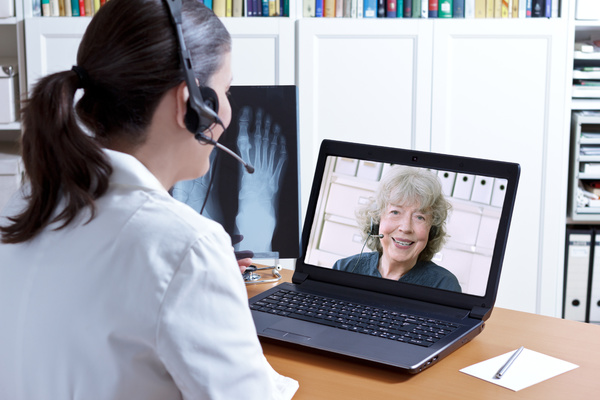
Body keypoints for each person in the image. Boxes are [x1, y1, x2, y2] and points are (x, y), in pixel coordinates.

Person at [0, 0, 298, 399]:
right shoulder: (187, 247)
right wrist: (200, 274)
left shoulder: (25, 202)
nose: (228, 108)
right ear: (190, 105)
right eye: (226, 91)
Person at [333, 166, 462, 292]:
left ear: (432, 231)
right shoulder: (345, 268)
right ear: (377, 221)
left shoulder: (444, 286)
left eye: (419, 217)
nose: (406, 228)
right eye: (395, 212)